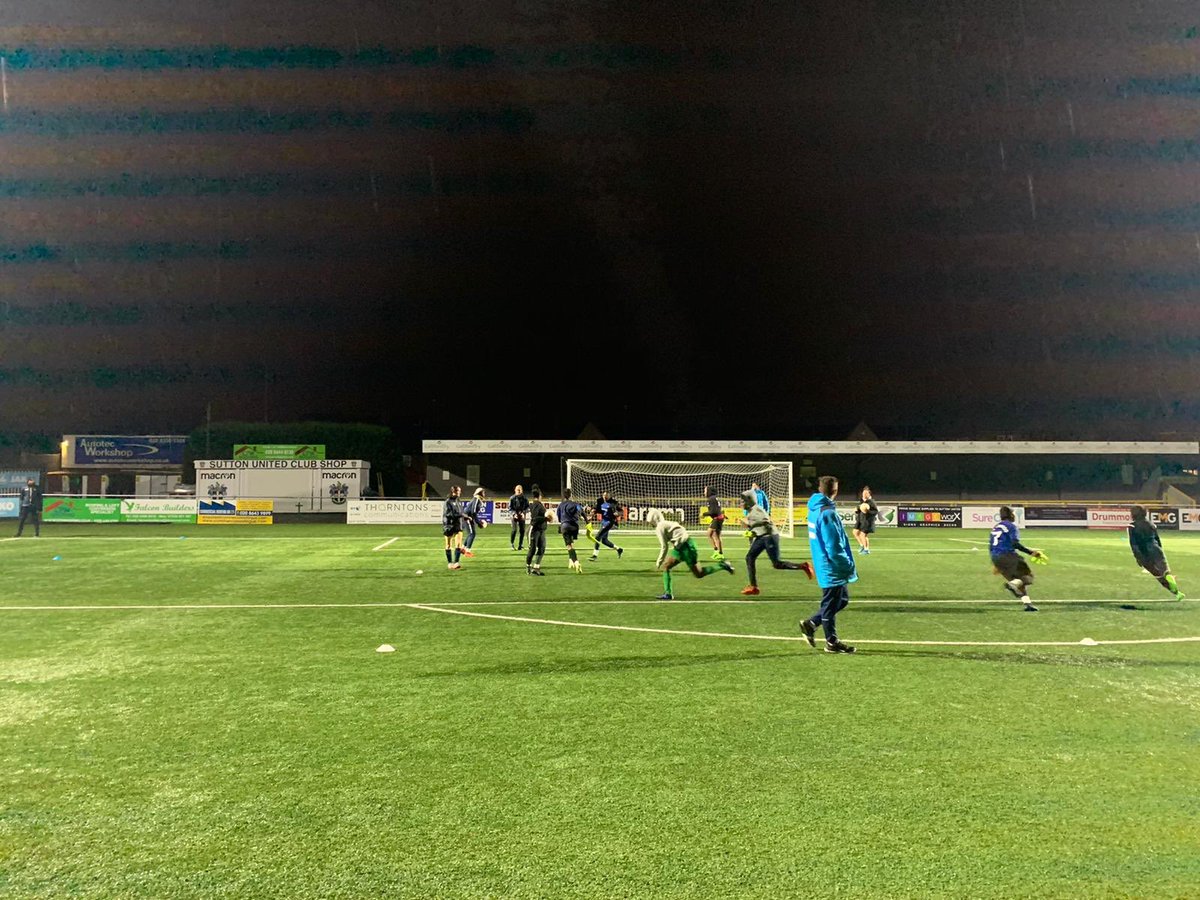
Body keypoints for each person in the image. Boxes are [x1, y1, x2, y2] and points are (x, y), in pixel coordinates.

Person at [799, 476, 857, 653]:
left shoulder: (815, 509)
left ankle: (811, 623)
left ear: (819, 488)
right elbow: (833, 546)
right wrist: (847, 565)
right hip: (831, 566)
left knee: (842, 600)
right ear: (836, 491)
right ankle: (831, 642)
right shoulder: (827, 513)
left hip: (823, 562)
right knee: (831, 605)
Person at [647, 508, 734, 599]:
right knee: (667, 567)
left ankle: (722, 565)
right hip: (683, 546)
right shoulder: (666, 523)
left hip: (686, 548)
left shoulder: (660, 527)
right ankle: (668, 593)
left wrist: (658, 562)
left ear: (653, 519)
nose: (650, 524)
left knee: (699, 573)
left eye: (650, 521)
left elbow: (664, 546)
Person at [740, 490, 814, 596]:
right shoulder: (751, 511)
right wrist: (751, 532)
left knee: (777, 564)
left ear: (749, 501)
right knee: (749, 558)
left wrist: (749, 524)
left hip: (770, 537)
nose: (741, 504)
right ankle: (753, 587)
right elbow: (759, 527)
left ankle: (803, 566)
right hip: (762, 537)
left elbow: (766, 521)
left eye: (743, 501)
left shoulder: (757, 509)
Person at [989, 506, 1044, 611]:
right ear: (1010, 515)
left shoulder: (996, 527)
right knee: (1027, 577)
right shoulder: (1011, 526)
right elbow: (1015, 543)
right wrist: (1031, 552)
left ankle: (1028, 604)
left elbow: (991, 545)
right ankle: (1011, 585)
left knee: (1018, 581)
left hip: (997, 557)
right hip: (1008, 555)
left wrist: (995, 563)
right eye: (1013, 513)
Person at [1129, 505, 1184, 600]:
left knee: (1158, 575)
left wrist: (1138, 557)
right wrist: (1160, 550)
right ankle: (1169, 576)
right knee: (1165, 571)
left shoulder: (1132, 526)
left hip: (1144, 553)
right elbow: (1157, 539)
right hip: (1156, 549)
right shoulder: (1151, 524)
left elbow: (1134, 545)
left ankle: (1176, 593)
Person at [557, 488, 588, 572]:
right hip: (574, 527)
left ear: (563, 495)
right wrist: (587, 522)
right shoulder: (575, 504)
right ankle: (570, 561)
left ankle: (576, 562)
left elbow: (559, 518)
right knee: (571, 543)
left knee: (569, 546)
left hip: (565, 526)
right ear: (570, 495)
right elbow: (582, 513)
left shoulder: (561, 505)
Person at [589, 491, 625, 561]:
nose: (604, 497)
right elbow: (596, 510)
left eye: (606, 496)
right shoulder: (601, 503)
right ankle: (619, 549)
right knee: (604, 541)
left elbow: (621, 511)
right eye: (603, 496)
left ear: (609, 496)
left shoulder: (613, 504)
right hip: (603, 522)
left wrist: (618, 514)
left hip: (609, 522)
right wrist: (592, 515)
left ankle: (595, 555)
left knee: (597, 537)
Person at [525, 488, 548, 575]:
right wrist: (546, 518)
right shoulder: (536, 505)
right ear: (539, 496)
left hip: (541, 530)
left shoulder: (538, 504)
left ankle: (536, 568)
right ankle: (528, 566)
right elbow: (535, 519)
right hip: (534, 530)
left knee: (542, 548)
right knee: (532, 549)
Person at [442, 485, 464, 569]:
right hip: (449, 525)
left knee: (458, 544)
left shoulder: (458, 501)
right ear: (453, 491)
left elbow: (461, 512)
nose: (459, 492)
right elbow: (448, 514)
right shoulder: (447, 502)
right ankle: (450, 563)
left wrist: (464, 517)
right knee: (448, 545)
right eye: (458, 491)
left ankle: (456, 563)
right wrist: (461, 515)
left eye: (459, 491)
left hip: (458, 524)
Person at [852, 486, 879, 555]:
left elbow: (875, 512)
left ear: (869, 494)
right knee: (855, 532)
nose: (864, 494)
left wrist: (868, 511)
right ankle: (862, 545)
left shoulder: (871, 502)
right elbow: (860, 510)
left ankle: (866, 549)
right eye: (863, 493)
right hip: (860, 520)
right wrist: (857, 510)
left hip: (867, 521)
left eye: (866, 493)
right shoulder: (862, 501)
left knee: (863, 535)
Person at [461, 487, 488, 554]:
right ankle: (468, 551)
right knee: (472, 534)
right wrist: (478, 522)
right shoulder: (477, 499)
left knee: (471, 533)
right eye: (483, 492)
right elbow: (473, 511)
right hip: (467, 518)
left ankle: (463, 548)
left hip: (469, 517)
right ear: (479, 493)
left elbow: (473, 512)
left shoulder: (478, 499)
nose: (484, 493)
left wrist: (477, 521)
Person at [704, 485, 726, 560]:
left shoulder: (711, 499)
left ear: (709, 491)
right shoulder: (714, 498)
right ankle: (716, 551)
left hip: (717, 518)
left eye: (705, 490)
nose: (704, 492)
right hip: (717, 518)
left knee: (716, 536)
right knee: (709, 534)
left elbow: (713, 511)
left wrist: (704, 514)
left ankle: (720, 553)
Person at [509, 484, 529, 551]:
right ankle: (512, 544)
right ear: (515, 490)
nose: (519, 491)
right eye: (518, 490)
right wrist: (514, 514)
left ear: (522, 490)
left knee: (522, 531)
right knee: (514, 530)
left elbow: (528, 507)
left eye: (520, 490)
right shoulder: (512, 498)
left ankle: (520, 545)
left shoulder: (525, 498)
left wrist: (524, 512)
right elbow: (510, 508)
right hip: (514, 516)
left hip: (522, 515)